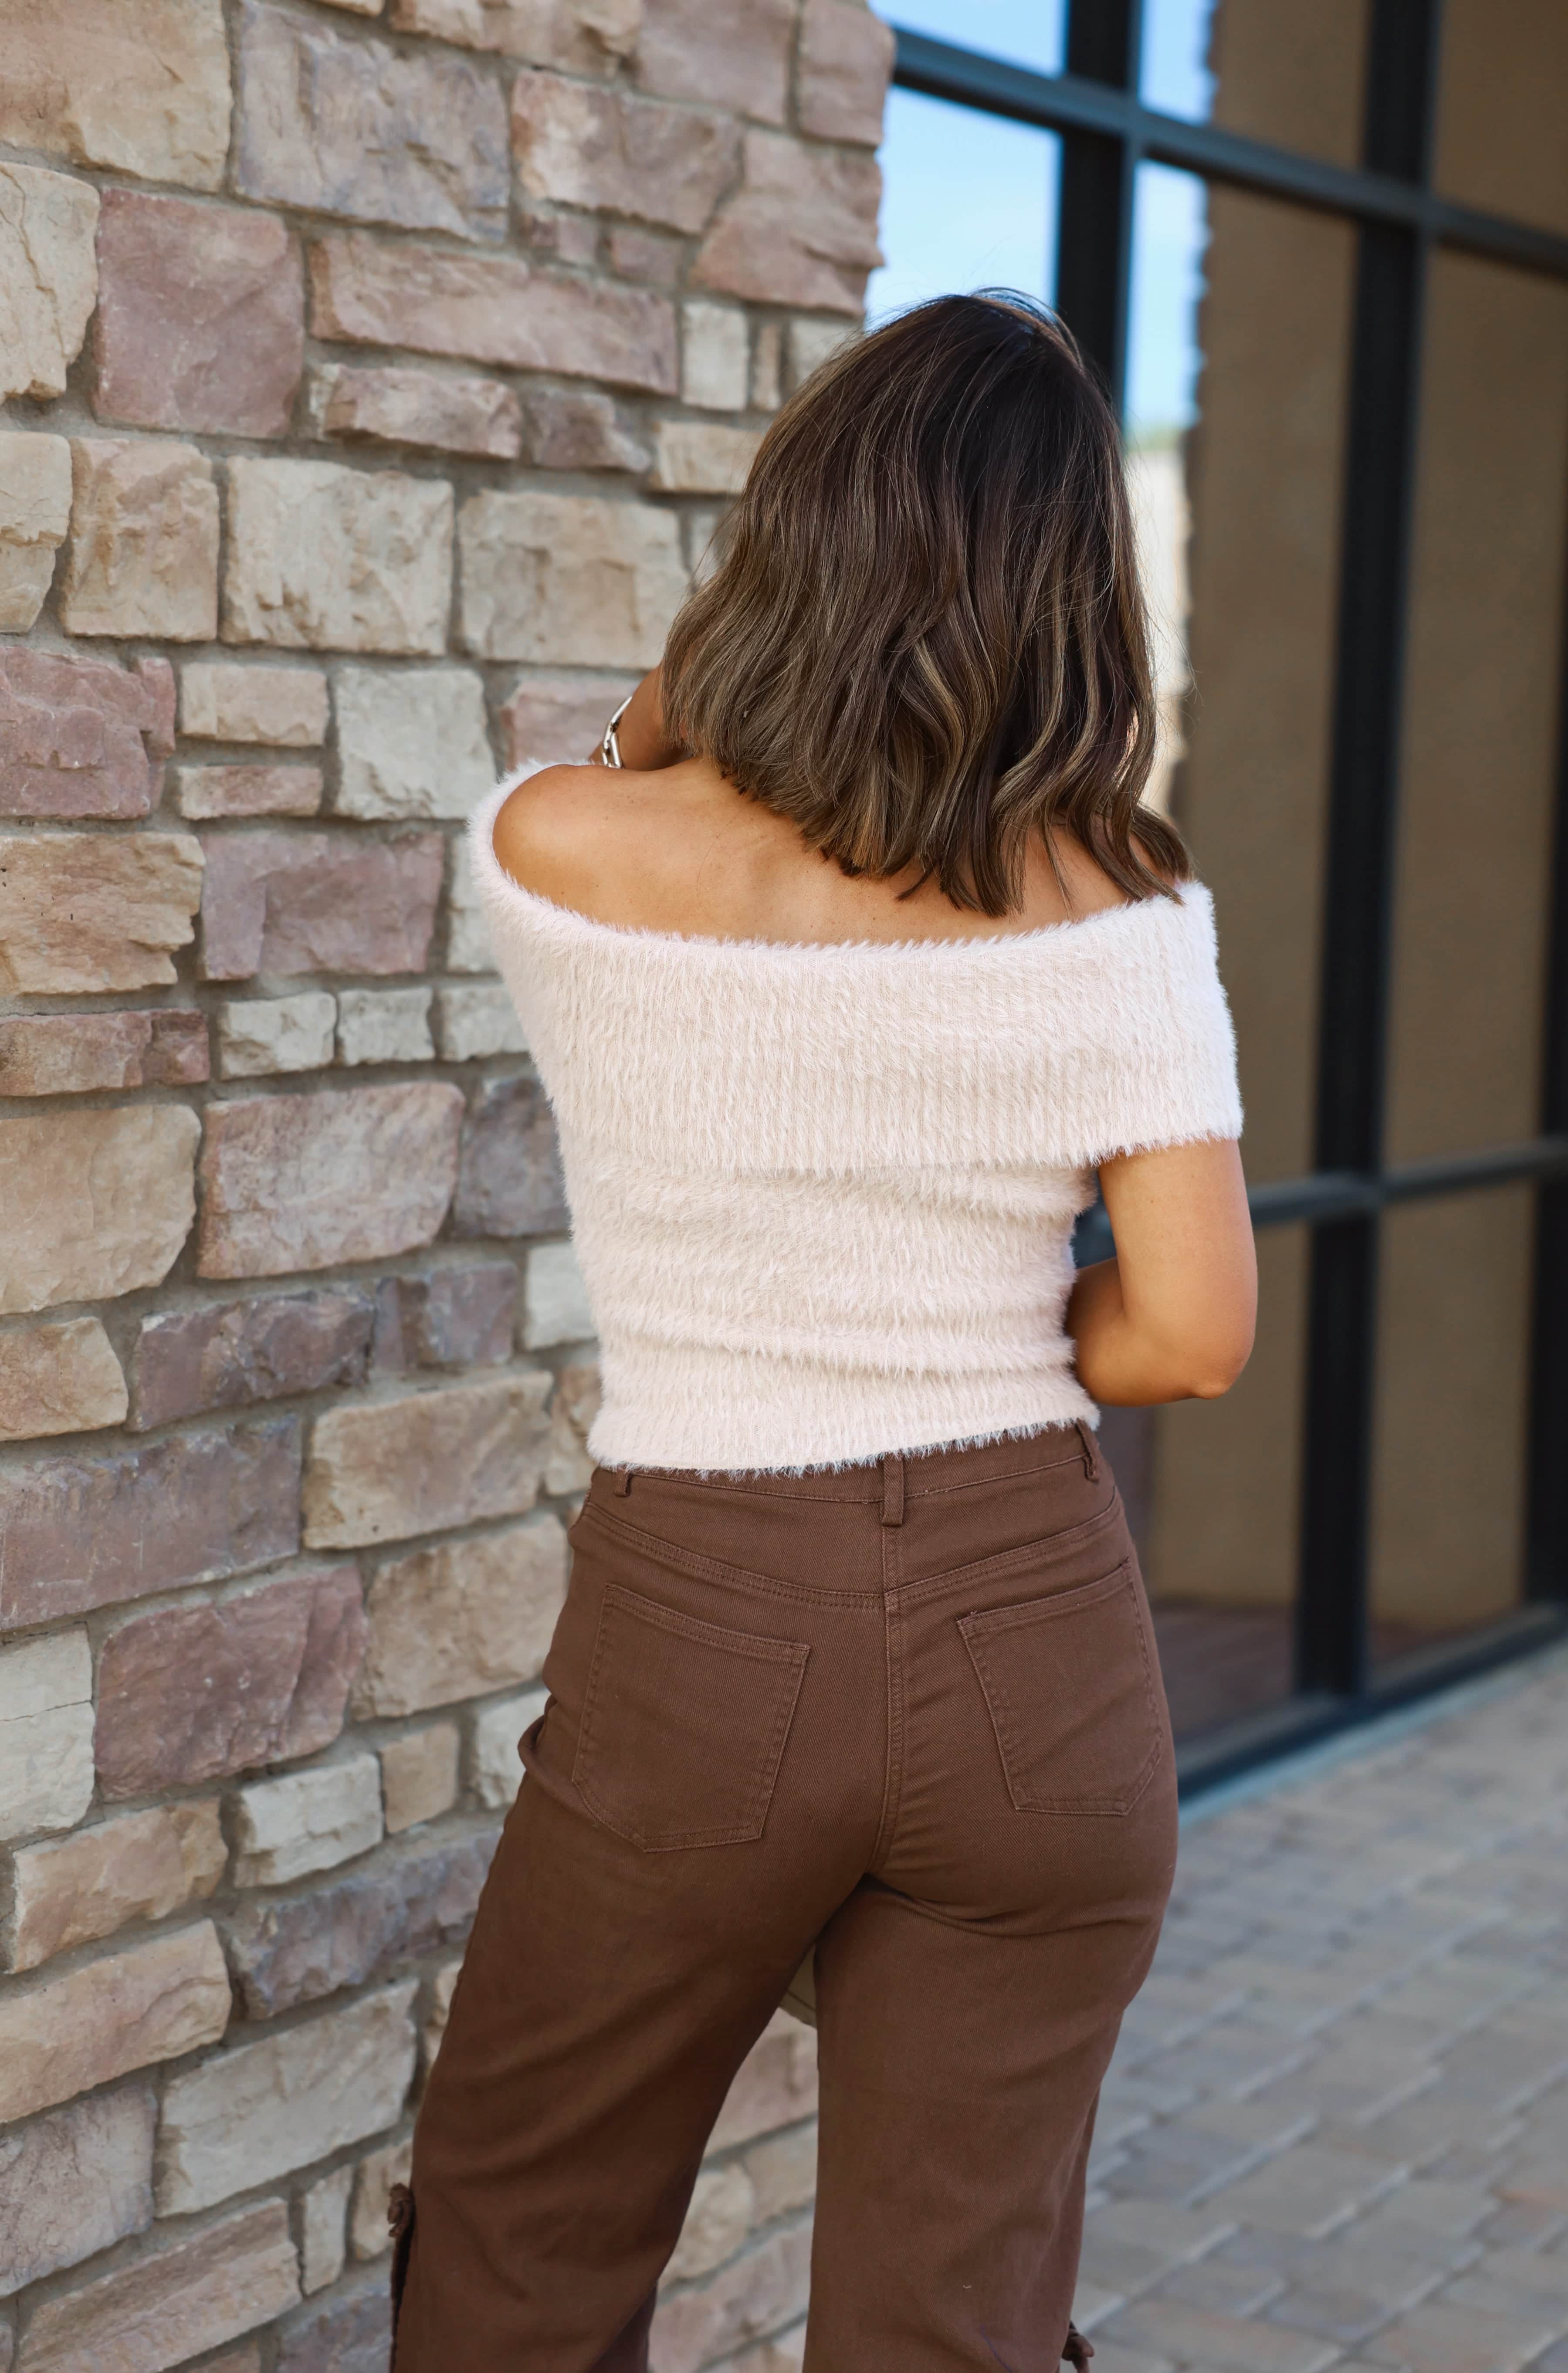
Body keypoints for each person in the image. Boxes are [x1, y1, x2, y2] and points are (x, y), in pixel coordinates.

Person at [388, 292, 1256, 2373]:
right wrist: (994, 1315)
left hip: (702, 1632)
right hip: (1034, 1639)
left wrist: (700, 677)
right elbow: (1195, 1332)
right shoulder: (1120, 910)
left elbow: (627, 743)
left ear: (795, 539)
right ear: (1073, 602)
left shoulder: (561, 853)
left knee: (527, 2233)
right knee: (949, 2322)